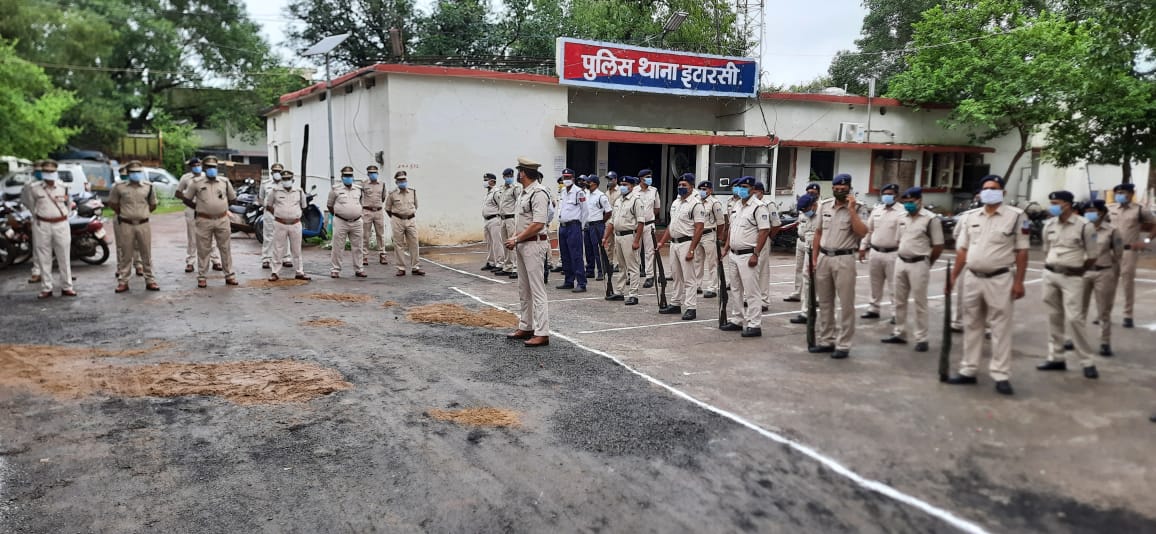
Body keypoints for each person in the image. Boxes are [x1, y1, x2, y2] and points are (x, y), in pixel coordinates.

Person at [945, 175, 1029, 395]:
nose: (988, 192)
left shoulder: (1016, 217)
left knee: (1000, 327)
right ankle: (968, 370)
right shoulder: (972, 217)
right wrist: (953, 277)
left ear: (1003, 193)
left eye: (993, 188)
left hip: (1000, 278)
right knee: (972, 325)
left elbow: (1022, 251)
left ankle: (1001, 374)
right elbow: (962, 250)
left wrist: (1019, 282)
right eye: (985, 188)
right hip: (972, 277)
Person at [1035, 191, 1100, 379]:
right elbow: (1046, 249)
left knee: (1074, 319)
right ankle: (1056, 357)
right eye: (1051, 202)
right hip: (1050, 275)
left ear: (1068, 204)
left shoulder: (1084, 226)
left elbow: (1092, 255)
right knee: (1053, 317)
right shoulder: (1049, 225)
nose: (1052, 206)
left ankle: (1087, 361)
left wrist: (1078, 269)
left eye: (1056, 202)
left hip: (1073, 277)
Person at [810, 173, 869, 358]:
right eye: (836, 188)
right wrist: (814, 258)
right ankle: (827, 340)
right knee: (825, 302)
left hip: (845, 258)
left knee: (846, 303)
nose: (839, 191)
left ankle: (843, 344)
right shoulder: (825, 205)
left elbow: (862, 232)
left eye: (843, 189)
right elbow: (818, 233)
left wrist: (851, 210)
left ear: (849, 188)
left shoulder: (859, 207)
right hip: (824, 257)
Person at [880, 187, 944, 352]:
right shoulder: (901, 218)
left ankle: (922, 338)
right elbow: (899, 240)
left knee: (920, 302)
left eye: (911, 202)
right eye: (905, 202)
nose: (908, 205)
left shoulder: (931, 219)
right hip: (901, 261)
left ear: (919, 201)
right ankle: (899, 332)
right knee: (899, 300)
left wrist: (928, 262)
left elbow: (938, 245)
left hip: (919, 262)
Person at [505, 157, 551, 347]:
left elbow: (538, 224)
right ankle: (526, 325)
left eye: (519, 171)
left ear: (523, 173)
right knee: (524, 289)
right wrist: (516, 238)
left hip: (534, 244)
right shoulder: (524, 193)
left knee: (537, 290)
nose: (518, 174)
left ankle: (542, 332)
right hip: (523, 244)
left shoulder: (538, 193)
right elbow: (523, 222)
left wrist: (516, 238)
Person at [720, 176, 772, 337]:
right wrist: (725, 248)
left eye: (744, 187)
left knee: (751, 291)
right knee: (735, 289)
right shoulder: (737, 205)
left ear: (752, 188)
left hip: (748, 254)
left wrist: (756, 253)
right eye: (740, 186)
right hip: (734, 254)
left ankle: (754, 324)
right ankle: (737, 320)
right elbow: (732, 229)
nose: (741, 189)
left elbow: (764, 231)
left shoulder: (759, 207)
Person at [180, 156, 237, 288]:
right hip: (204, 220)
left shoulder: (224, 182)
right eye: (209, 167)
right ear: (205, 168)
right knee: (203, 249)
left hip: (222, 219)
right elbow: (186, 199)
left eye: (214, 167)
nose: (212, 170)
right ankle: (202, 276)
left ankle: (229, 275)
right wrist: (199, 208)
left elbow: (233, 198)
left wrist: (221, 205)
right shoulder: (196, 182)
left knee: (225, 248)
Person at [656, 174, 706, 320]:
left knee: (689, 278)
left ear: (691, 186)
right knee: (676, 276)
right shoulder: (676, 202)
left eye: (684, 185)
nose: (681, 187)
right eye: (680, 185)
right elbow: (672, 225)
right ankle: (675, 303)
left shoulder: (696, 204)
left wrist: (691, 249)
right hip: (674, 243)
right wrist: (661, 242)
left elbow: (699, 228)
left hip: (687, 243)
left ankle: (691, 307)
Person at [25, 160, 76, 298]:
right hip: (42, 224)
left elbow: (69, 205)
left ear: (56, 172)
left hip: (61, 224)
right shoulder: (34, 188)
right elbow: (31, 206)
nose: (49, 174)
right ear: (42, 172)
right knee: (43, 256)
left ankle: (67, 286)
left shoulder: (63, 187)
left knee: (64, 256)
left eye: (52, 171)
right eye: (46, 171)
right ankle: (47, 287)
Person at [1107, 183, 1154, 329]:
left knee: (1127, 283)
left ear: (1131, 194)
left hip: (1128, 251)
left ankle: (1128, 315)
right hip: (1110, 251)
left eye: (1123, 192)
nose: (1120, 195)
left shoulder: (1140, 210)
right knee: (1108, 284)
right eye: (1118, 192)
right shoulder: (1110, 208)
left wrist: (1145, 241)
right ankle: (1104, 313)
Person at [1080, 200, 1123, 356]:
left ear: (1102, 212)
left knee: (1103, 309)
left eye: (1093, 210)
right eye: (1087, 210)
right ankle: (1075, 339)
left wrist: (1109, 267)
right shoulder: (1080, 228)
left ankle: (1105, 342)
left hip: (1103, 272)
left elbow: (1118, 252)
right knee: (1078, 309)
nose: (1089, 213)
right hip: (1083, 272)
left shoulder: (1112, 231)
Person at [109, 161, 158, 293]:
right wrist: (125, 214)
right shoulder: (119, 187)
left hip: (143, 223)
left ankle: (150, 280)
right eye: (133, 172)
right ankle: (123, 281)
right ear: (128, 173)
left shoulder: (148, 187)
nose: (136, 175)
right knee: (126, 253)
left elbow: (153, 205)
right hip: (126, 224)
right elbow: (113, 204)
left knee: (146, 253)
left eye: (138, 172)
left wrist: (141, 214)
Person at [860, 183, 903, 321]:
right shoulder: (877, 210)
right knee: (875, 283)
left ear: (896, 195)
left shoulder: (902, 212)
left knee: (894, 285)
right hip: (875, 251)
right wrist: (863, 246)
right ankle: (873, 308)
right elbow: (869, 230)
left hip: (893, 253)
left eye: (890, 194)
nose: (887, 196)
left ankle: (896, 313)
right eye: (885, 193)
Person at [603, 175, 646, 305]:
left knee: (632, 266)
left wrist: (636, 241)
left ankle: (633, 294)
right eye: (621, 184)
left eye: (626, 184)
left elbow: (641, 222)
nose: (623, 186)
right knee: (621, 265)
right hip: (618, 235)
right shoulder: (618, 201)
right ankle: (619, 292)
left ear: (632, 186)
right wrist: (605, 237)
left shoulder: (636, 201)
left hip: (629, 235)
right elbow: (612, 221)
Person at [175, 157, 221, 274]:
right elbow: (178, 193)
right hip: (191, 209)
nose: (197, 167)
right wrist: (188, 198)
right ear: (191, 167)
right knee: (192, 236)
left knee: (210, 235)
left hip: (206, 209)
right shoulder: (186, 178)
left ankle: (215, 260)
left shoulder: (206, 176)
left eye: (198, 164)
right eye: (194, 165)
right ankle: (190, 262)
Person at [265, 170, 311, 282]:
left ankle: (299, 272)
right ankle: (275, 272)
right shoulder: (275, 191)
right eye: (284, 179)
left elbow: (304, 206)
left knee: (296, 249)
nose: (286, 181)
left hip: (295, 224)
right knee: (278, 248)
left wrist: (295, 215)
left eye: (288, 179)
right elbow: (269, 205)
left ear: (293, 180)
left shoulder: (299, 191)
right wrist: (278, 214)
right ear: (281, 180)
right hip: (280, 223)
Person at [327, 166, 366, 278]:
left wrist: (356, 213)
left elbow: (361, 203)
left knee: (358, 246)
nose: (348, 177)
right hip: (341, 221)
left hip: (357, 221)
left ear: (352, 176)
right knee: (338, 246)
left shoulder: (358, 189)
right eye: (346, 176)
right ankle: (335, 269)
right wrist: (341, 214)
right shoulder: (335, 189)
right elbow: (329, 205)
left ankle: (359, 269)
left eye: (350, 175)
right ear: (342, 177)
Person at [785, 185, 821, 304]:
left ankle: (813, 297)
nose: (811, 194)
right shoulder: (803, 205)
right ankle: (797, 293)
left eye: (814, 192)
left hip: (812, 244)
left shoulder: (820, 208)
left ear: (818, 193)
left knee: (810, 271)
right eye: (809, 192)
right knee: (799, 268)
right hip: (800, 241)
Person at [556, 168, 588, 292]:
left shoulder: (579, 192)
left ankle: (581, 282)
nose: (566, 179)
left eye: (568, 177)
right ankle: (568, 280)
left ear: (573, 178)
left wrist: (581, 226)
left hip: (574, 226)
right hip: (563, 227)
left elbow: (585, 211)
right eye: (565, 177)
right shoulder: (562, 191)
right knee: (565, 255)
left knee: (576, 255)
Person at [751, 181, 782, 311]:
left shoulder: (768, 204)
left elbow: (776, 224)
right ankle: (751, 298)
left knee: (762, 270)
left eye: (754, 192)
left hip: (763, 238)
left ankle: (763, 300)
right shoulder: (750, 204)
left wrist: (769, 237)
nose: (752, 194)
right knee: (751, 270)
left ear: (761, 192)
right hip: (750, 240)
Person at [387, 170, 425, 275]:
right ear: (396, 182)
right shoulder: (392, 194)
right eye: (399, 180)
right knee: (399, 244)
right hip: (397, 220)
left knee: (414, 243)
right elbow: (388, 208)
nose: (402, 182)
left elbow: (416, 206)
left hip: (411, 219)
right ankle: (401, 268)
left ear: (406, 180)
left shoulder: (412, 192)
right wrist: (396, 218)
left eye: (403, 179)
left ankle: (415, 267)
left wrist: (408, 214)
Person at [789, 193, 819, 324]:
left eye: (806, 210)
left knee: (823, 284)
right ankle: (806, 312)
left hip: (823, 252)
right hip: (808, 249)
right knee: (807, 280)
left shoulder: (824, 214)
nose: (804, 213)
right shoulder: (806, 214)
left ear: (813, 205)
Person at [695, 180, 726, 299]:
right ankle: (697, 285)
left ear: (710, 190)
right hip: (698, 234)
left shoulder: (714, 203)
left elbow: (721, 222)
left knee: (712, 262)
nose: (702, 191)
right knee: (697, 261)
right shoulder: (697, 202)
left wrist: (719, 236)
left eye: (705, 189)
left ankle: (712, 287)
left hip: (709, 234)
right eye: (701, 189)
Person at [260, 163, 292, 269]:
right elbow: (261, 198)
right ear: (271, 172)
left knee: (285, 235)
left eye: (279, 171)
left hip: (283, 213)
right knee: (268, 236)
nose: (277, 174)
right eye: (275, 171)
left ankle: (286, 258)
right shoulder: (265, 184)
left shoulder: (287, 184)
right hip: (269, 213)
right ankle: (266, 259)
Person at [583, 175, 612, 281]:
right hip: (587, 225)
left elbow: (608, 212)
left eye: (589, 182)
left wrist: (601, 221)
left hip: (597, 225)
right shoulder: (585, 194)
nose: (586, 184)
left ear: (594, 183)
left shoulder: (601, 196)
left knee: (598, 249)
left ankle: (601, 271)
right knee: (588, 248)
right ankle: (590, 270)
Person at [494, 168, 522, 278]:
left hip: (511, 218)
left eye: (510, 175)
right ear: (503, 176)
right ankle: (508, 267)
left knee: (513, 242)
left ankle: (516, 268)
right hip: (503, 218)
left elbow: (519, 203)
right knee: (506, 243)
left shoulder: (516, 188)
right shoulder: (502, 189)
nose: (508, 177)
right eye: (506, 176)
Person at [636, 169, 661, 288]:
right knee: (635, 250)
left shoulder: (654, 191)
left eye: (650, 176)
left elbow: (657, 209)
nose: (650, 178)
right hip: (636, 225)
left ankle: (649, 276)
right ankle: (633, 276)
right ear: (641, 178)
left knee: (649, 251)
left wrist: (649, 216)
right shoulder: (634, 191)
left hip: (649, 224)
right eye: (647, 176)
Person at [361, 165, 389, 267]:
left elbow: (383, 197)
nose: (373, 174)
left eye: (375, 173)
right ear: (368, 174)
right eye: (371, 173)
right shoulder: (363, 184)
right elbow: (360, 197)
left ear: (377, 174)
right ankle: (364, 256)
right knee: (365, 235)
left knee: (380, 234)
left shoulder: (382, 184)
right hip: (367, 211)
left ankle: (382, 254)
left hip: (378, 211)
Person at [481, 173, 504, 271]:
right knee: (489, 243)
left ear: (492, 181)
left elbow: (501, 205)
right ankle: (491, 262)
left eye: (486, 180)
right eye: (484, 180)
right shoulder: (488, 193)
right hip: (487, 220)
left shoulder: (496, 192)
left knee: (497, 243)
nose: (485, 182)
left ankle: (500, 263)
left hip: (495, 219)